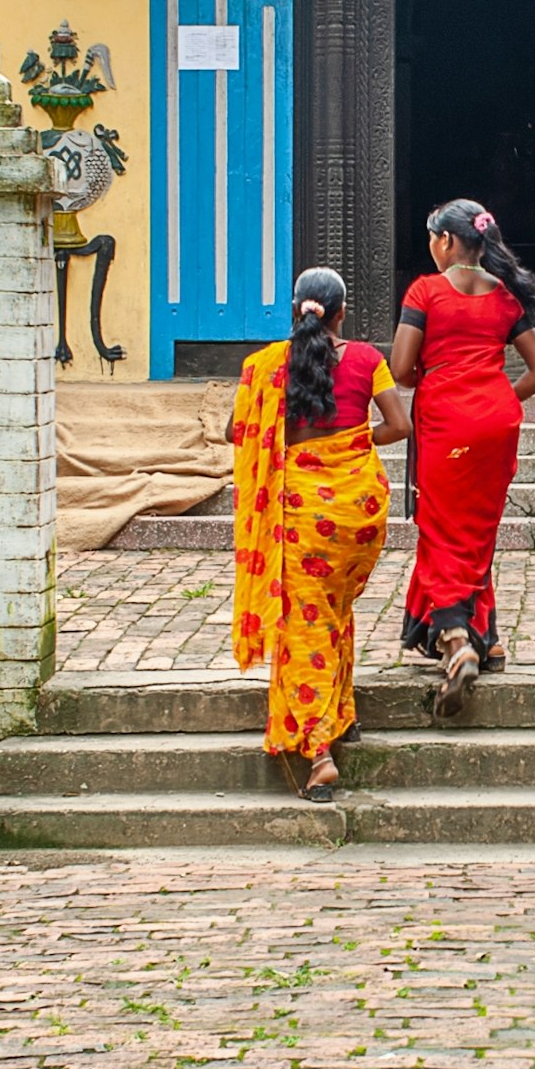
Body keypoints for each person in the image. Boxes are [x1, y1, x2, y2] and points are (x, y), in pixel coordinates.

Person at [228, 266, 407, 799]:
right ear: (342, 313)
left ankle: (318, 749)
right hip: (357, 514)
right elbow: (400, 426)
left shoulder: (263, 367)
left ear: (294, 310)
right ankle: (343, 713)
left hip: (300, 515)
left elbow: (237, 431)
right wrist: (353, 439)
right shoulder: (368, 360)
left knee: (304, 626)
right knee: (333, 609)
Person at [391, 197, 535, 715]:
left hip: (446, 420)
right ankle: (490, 637)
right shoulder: (505, 296)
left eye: (432, 238)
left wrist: (437, 379)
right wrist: (499, 399)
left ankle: (457, 638)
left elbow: (400, 368)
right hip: (496, 423)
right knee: (476, 529)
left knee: (441, 528)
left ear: (445, 240)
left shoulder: (426, 291)